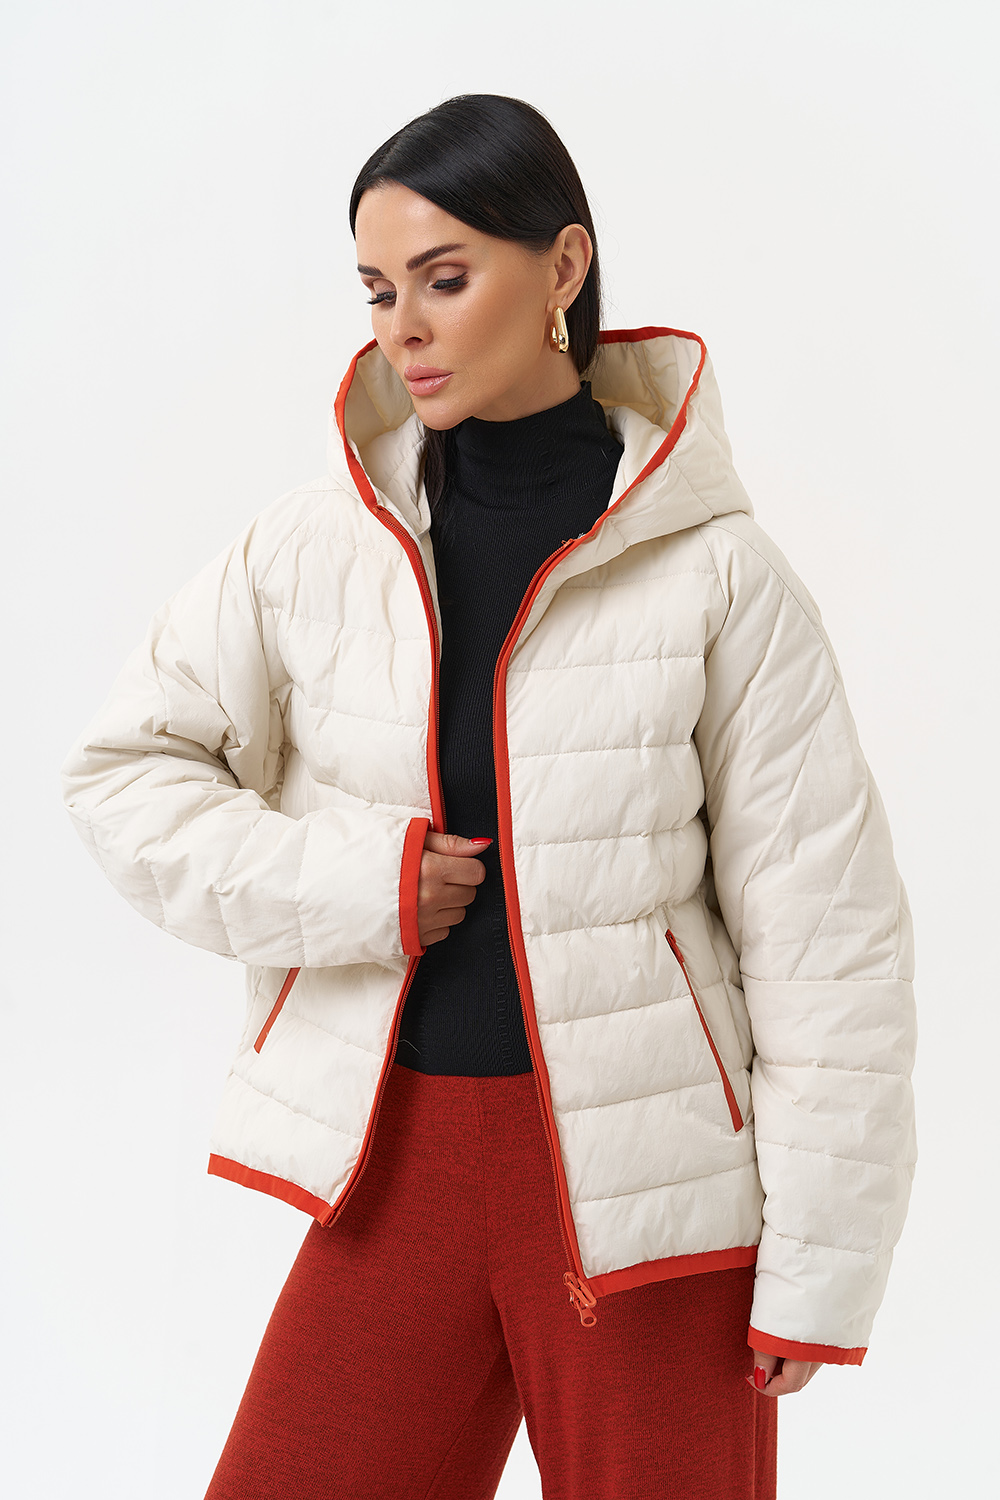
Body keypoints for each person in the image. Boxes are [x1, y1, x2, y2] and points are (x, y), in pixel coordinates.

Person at [60, 94, 917, 1499]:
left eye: (444, 279)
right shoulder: (313, 550)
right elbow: (123, 773)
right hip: (395, 1162)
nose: (403, 326)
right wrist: (359, 885)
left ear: (563, 267)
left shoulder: (717, 575)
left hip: (649, 1199)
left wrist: (821, 1266)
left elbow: (829, 937)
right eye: (378, 289)